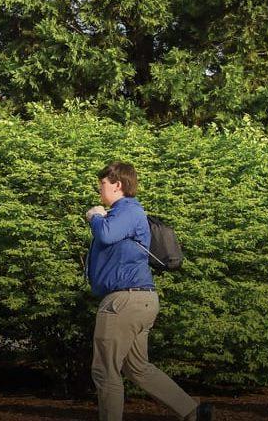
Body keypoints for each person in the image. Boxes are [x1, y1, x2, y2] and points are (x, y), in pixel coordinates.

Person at [84, 162, 210, 421]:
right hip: (138, 300)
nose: (100, 191)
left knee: (105, 371)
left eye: (103, 186)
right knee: (137, 367)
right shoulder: (125, 213)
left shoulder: (128, 210)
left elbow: (106, 235)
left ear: (118, 185)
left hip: (124, 301)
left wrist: (95, 216)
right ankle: (194, 412)